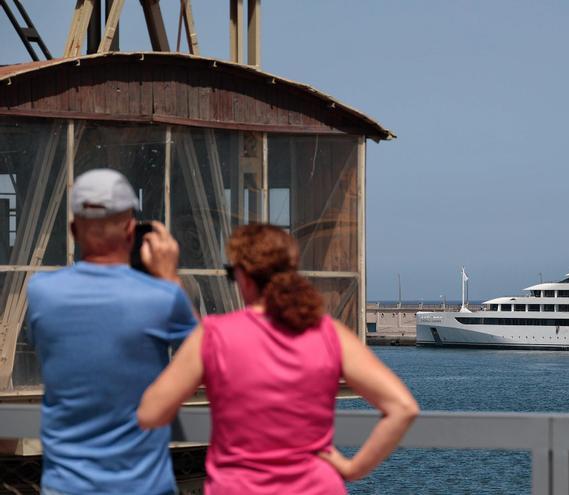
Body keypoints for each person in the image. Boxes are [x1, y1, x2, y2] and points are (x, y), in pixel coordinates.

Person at [138, 224, 419, 494]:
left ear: (244, 277)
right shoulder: (329, 334)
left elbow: (151, 412)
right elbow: (403, 407)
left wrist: (170, 284)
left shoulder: (214, 336)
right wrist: (353, 468)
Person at [27, 168, 197, 494]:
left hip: (66, 486)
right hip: (144, 486)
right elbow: (211, 355)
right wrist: (170, 277)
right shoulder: (162, 297)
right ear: (132, 231)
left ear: (74, 230)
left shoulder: (41, 292)